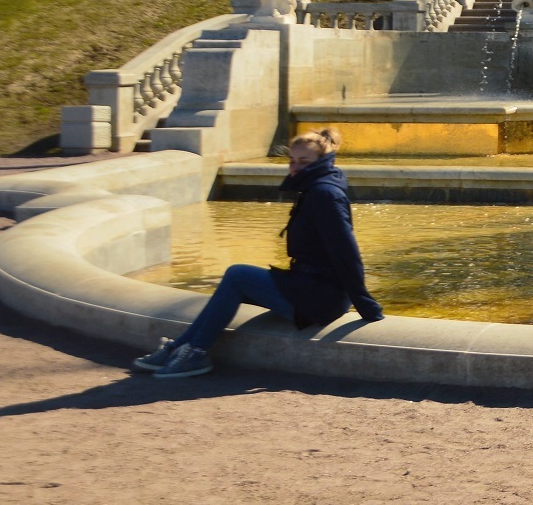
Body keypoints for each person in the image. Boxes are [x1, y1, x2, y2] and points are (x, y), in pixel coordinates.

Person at [132, 128, 382, 379]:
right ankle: (181, 348)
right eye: (292, 161)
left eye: (303, 162)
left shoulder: (325, 194)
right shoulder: (316, 187)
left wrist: (365, 305)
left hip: (320, 299)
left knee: (237, 275)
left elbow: (346, 253)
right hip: (309, 286)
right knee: (236, 280)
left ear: (322, 162)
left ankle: (195, 351)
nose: (295, 167)